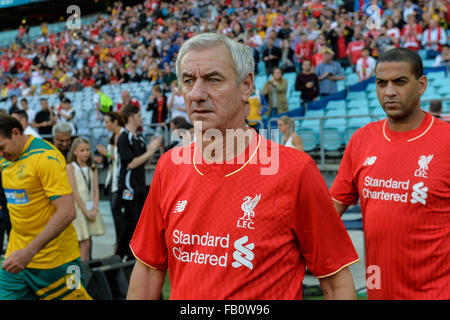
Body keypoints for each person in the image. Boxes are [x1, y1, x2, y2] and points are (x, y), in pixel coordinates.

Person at [127, 33, 359, 300]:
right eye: (188, 81)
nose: (197, 94)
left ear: (246, 85)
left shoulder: (295, 170)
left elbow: (335, 282)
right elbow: (148, 269)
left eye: (213, 79)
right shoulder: (169, 166)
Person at [330, 48, 450, 299]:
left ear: (422, 84)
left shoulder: (446, 141)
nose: (389, 92)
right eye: (381, 83)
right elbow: (327, 214)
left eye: (400, 82)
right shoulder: (362, 140)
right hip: (380, 292)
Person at [0, 115, 91, 300]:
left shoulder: (46, 158)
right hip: (16, 258)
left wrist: (29, 252)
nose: (1, 154)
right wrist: (23, 254)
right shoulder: (5, 157)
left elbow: (67, 212)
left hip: (57, 261)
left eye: (2, 148)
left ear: (16, 133)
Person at [116, 104, 162, 261]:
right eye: (139, 116)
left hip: (140, 185)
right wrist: (149, 151)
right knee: (133, 222)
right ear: (131, 118)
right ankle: (127, 255)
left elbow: (145, 162)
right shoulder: (124, 137)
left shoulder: (139, 138)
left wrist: (152, 149)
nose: (141, 118)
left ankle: (123, 254)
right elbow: (131, 163)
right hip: (128, 187)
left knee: (136, 223)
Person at [67, 138, 105, 261]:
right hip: (79, 207)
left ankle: (86, 268)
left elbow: (96, 189)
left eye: (87, 150)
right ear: (75, 152)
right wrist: (86, 211)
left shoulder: (92, 167)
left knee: (88, 240)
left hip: (90, 206)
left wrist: (95, 208)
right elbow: (73, 191)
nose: (85, 153)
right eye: (82, 150)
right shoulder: (71, 167)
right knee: (84, 241)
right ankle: (82, 271)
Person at [95, 112, 126, 254]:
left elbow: (122, 159)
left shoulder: (124, 135)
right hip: (113, 180)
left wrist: (106, 154)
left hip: (122, 182)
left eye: (108, 122)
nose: (106, 125)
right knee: (116, 216)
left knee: (120, 216)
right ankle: (119, 244)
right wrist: (104, 158)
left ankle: (121, 246)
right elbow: (112, 160)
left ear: (115, 122)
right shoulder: (112, 137)